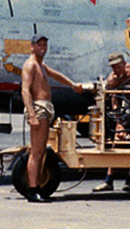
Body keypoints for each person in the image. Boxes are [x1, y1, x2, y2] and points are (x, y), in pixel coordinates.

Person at [20, 34, 83, 202]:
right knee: (37, 151)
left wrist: (73, 85)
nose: (43, 47)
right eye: (39, 44)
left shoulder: (41, 65)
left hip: (46, 108)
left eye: (45, 45)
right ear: (32, 46)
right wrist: (32, 114)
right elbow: (25, 90)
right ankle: (33, 190)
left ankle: (36, 188)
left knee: (41, 152)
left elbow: (57, 76)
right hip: (39, 108)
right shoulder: (30, 65)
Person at [94, 52, 130, 193]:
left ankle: (129, 181)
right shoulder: (113, 80)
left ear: (124, 64)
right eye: (113, 67)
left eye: (118, 67)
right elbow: (114, 101)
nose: (116, 70)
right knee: (116, 143)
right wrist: (119, 121)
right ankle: (109, 180)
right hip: (124, 108)